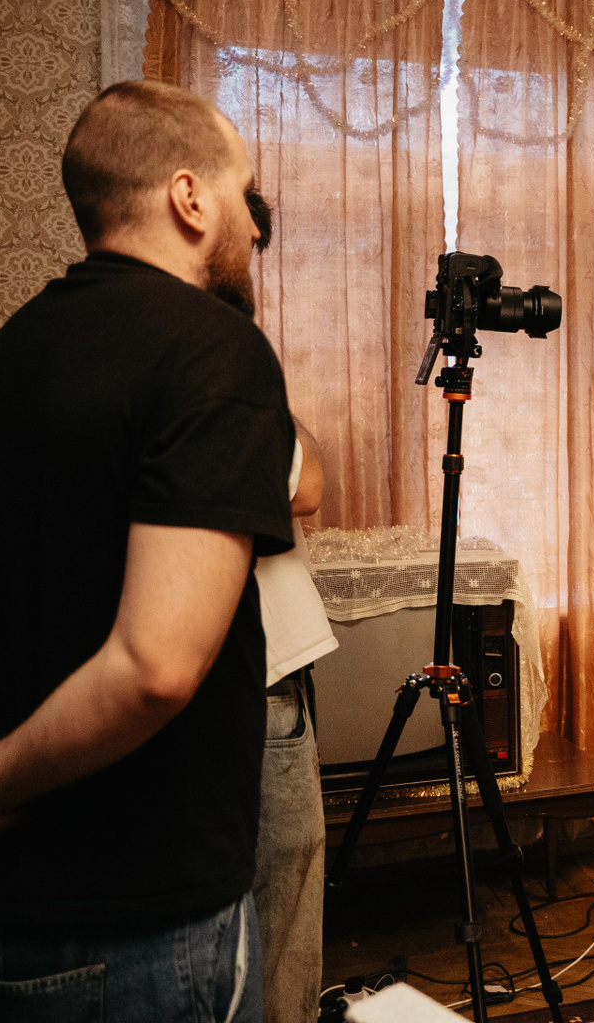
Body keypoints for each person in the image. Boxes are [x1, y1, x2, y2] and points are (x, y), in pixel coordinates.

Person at [0, 80, 295, 1022]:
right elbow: (155, 665)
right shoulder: (213, 351)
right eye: (243, 194)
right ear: (190, 198)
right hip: (136, 933)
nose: (250, 222)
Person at [242, 187, 338, 1023]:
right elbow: (306, 486)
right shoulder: (219, 356)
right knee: (281, 885)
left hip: (251, 661)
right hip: (259, 667)